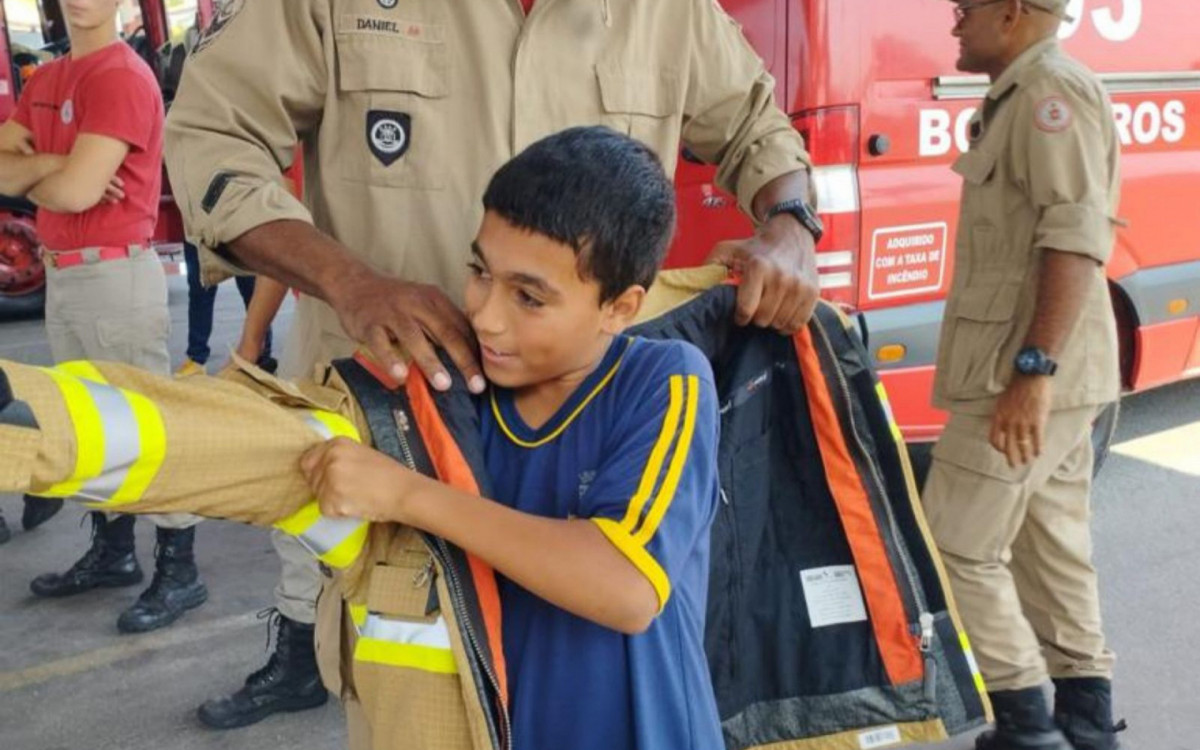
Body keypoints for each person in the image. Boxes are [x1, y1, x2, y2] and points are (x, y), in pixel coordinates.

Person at [165, 0, 823, 729]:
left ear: (623, 304)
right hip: (397, 426)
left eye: (525, 294)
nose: (486, 315)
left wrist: (792, 223)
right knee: (417, 695)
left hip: (582, 442)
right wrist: (349, 281)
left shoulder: (668, 12)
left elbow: (758, 126)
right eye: (484, 280)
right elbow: (212, 131)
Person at [922, 2, 1124, 749]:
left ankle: (1027, 726)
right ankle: (1087, 722)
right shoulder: (1022, 92)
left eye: (966, 8)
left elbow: (1074, 237)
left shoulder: (1050, 94)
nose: (955, 21)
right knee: (1049, 545)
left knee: (954, 544)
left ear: (1010, 13)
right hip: (1045, 370)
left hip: (1024, 372)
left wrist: (1033, 372)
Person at [0, 0, 207, 634]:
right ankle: (115, 552)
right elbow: (16, 172)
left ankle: (180, 570)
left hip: (115, 277)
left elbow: (74, 194)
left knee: (147, 429)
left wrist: (47, 173)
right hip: (67, 273)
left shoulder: (121, 76)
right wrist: (62, 166)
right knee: (96, 428)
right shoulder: (51, 78)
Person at [175, 242, 275, 376]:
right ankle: (196, 359)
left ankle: (261, 358)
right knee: (199, 293)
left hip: (239, 228)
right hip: (200, 231)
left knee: (254, 293)